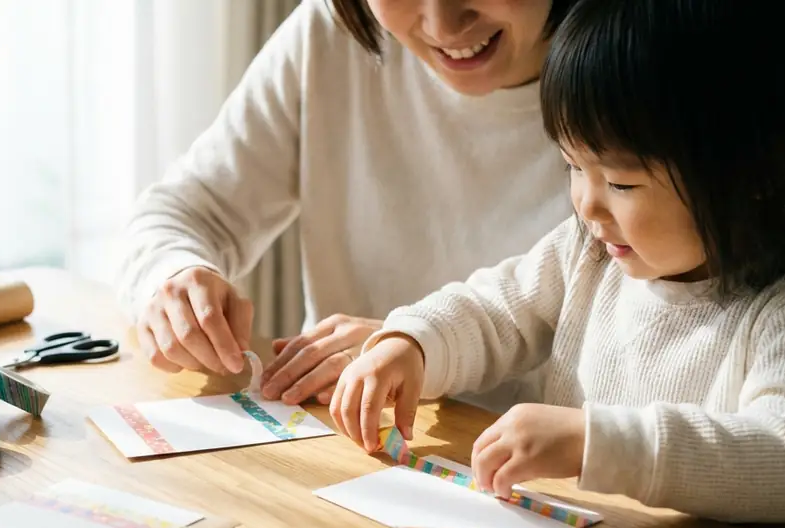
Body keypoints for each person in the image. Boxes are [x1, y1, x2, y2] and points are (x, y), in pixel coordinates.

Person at [330, 0, 785, 523]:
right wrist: (414, 344)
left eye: (620, 181)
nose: (587, 204)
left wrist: (595, 442)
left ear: (762, 177)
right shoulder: (590, 255)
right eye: (573, 166)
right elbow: (494, 311)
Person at [115, 0, 579, 408]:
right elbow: (181, 213)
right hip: (332, 444)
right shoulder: (332, 33)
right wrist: (172, 277)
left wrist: (414, 347)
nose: (443, 24)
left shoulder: (632, 74)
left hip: (532, 481)